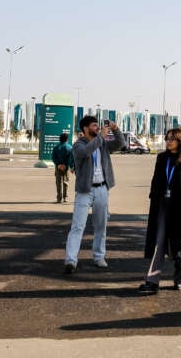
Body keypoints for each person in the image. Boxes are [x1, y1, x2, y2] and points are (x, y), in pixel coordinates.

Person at [138, 128, 181, 294]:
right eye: (167, 138)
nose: (168, 141)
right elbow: (156, 179)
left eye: (172, 138)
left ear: (180, 140)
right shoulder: (161, 157)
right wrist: (153, 197)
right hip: (162, 205)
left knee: (179, 245)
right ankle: (152, 281)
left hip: (180, 208)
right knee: (159, 242)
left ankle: (179, 279)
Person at [63, 116, 123, 273]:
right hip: (85, 191)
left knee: (101, 225)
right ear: (85, 129)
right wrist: (101, 138)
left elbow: (120, 144)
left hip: (102, 188)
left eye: (98, 125)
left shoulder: (103, 144)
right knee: (78, 226)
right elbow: (85, 151)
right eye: (94, 125)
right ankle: (71, 260)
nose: (97, 128)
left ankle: (99, 257)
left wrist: (116, 130)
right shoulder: (78, 145)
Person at [51, 132, 73, 203]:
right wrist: (67, 165)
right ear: (67, 139)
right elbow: (71, 158)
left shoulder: (56, 147)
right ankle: (65, 197)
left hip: (58, 167)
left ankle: (59, 198)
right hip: (66, 168)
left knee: (58, 182)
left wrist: (58, 164)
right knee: (65, 182)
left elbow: (53, 157)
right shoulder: (69, 147)